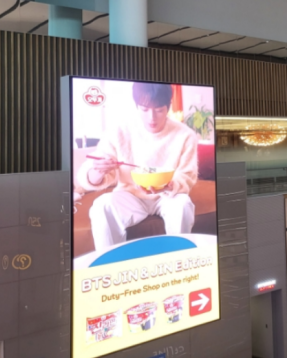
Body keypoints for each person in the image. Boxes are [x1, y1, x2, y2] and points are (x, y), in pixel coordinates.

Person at [77, 82, 199, 252]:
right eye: (144, 109)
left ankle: (178, 258)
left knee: (183, 204)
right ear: (136, 106)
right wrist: (98, 170)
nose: (152, 118)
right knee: (102, 205)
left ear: (169, 107)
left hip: (167, 196)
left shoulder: (185, 135)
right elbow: (90, 174)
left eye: (159, 110)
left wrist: (170, 185)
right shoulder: (119, 131)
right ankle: (110, 262)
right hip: (130, 195)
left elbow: (187, 175)